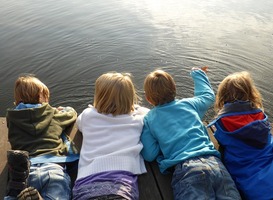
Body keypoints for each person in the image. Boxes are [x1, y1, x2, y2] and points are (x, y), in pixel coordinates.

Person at [141, 67, 241, 200]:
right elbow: (207, 96)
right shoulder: (189, 104)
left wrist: (164, 142)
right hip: (215, 164)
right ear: (174, 89)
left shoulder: (150, 119)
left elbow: (149, 154)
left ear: (148, 99)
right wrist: (197, 73)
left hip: (187, 170)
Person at [72, 72, 149, 200]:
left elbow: (79, 125)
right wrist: (135, 108)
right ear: (130, 97)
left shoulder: (87, 115)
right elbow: (151, 114)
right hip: (121, 182)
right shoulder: (137, 120)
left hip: (87, 181)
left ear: (99, 96)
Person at [5, 75, 79, 200]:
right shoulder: (52, 114)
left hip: (26, 171)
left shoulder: (11, 117)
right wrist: (64, 109)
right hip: (53, 168)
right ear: (42, 97)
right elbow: (71, 114)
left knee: (16, 195)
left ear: (17, 100)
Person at [207, 71, 273, 200]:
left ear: (222, 96)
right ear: (251, 93)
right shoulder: (261, 116)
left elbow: (223, 140)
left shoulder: (221, 122)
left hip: (249, 176)